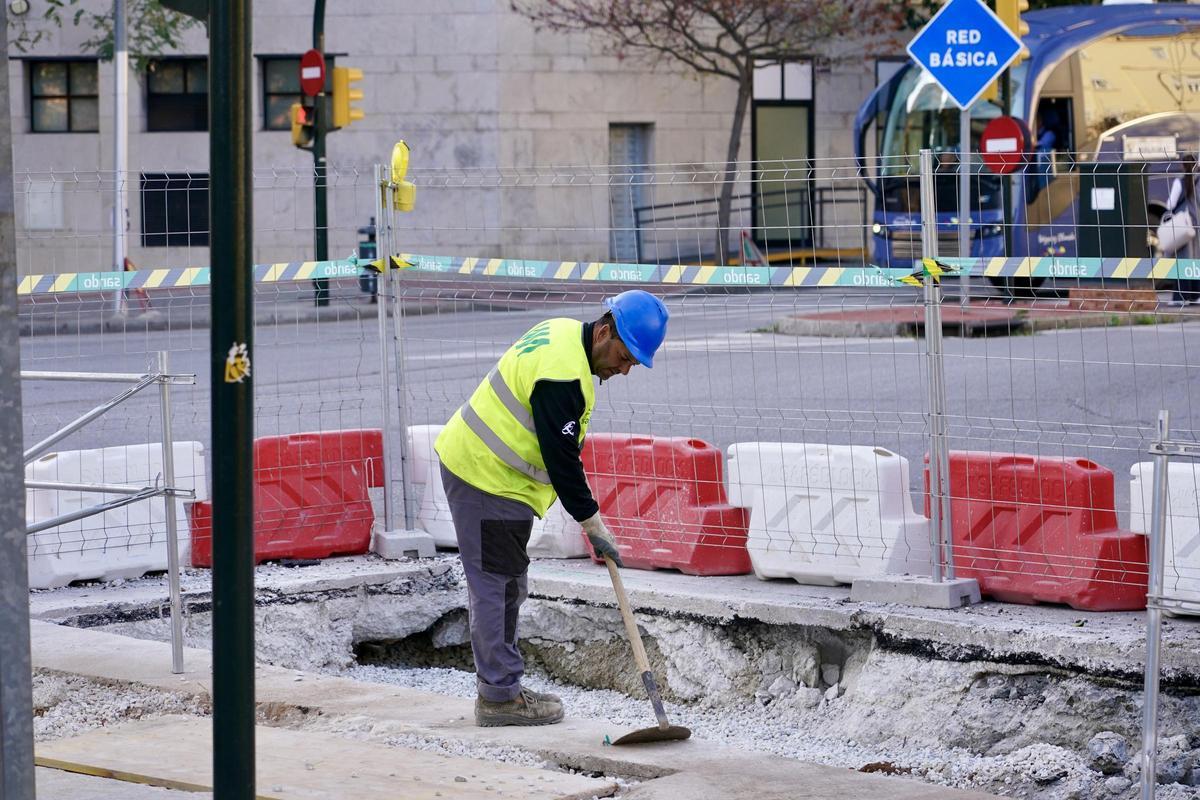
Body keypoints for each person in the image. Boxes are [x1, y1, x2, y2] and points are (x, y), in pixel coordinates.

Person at [434, 289, 669, 727]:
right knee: (497, 587)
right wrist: (594, 524)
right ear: (604, 331)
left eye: (633, 363)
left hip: (490, 471)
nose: (624, 369)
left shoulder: (563, 335)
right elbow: (562, 461)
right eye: (623, 356)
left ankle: (502, 687)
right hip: (488, 475)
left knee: (506, 585)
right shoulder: (564, 376)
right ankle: (500, 697)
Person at [1160, 154, 1200, 304]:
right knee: (1196, 260)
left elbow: (1170, 204)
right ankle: (1196, 295)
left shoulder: (1180, 181)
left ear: (1183, 165)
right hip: (1197, 225)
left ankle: (1181, 297)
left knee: (1183, 260)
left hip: (1183, 225)